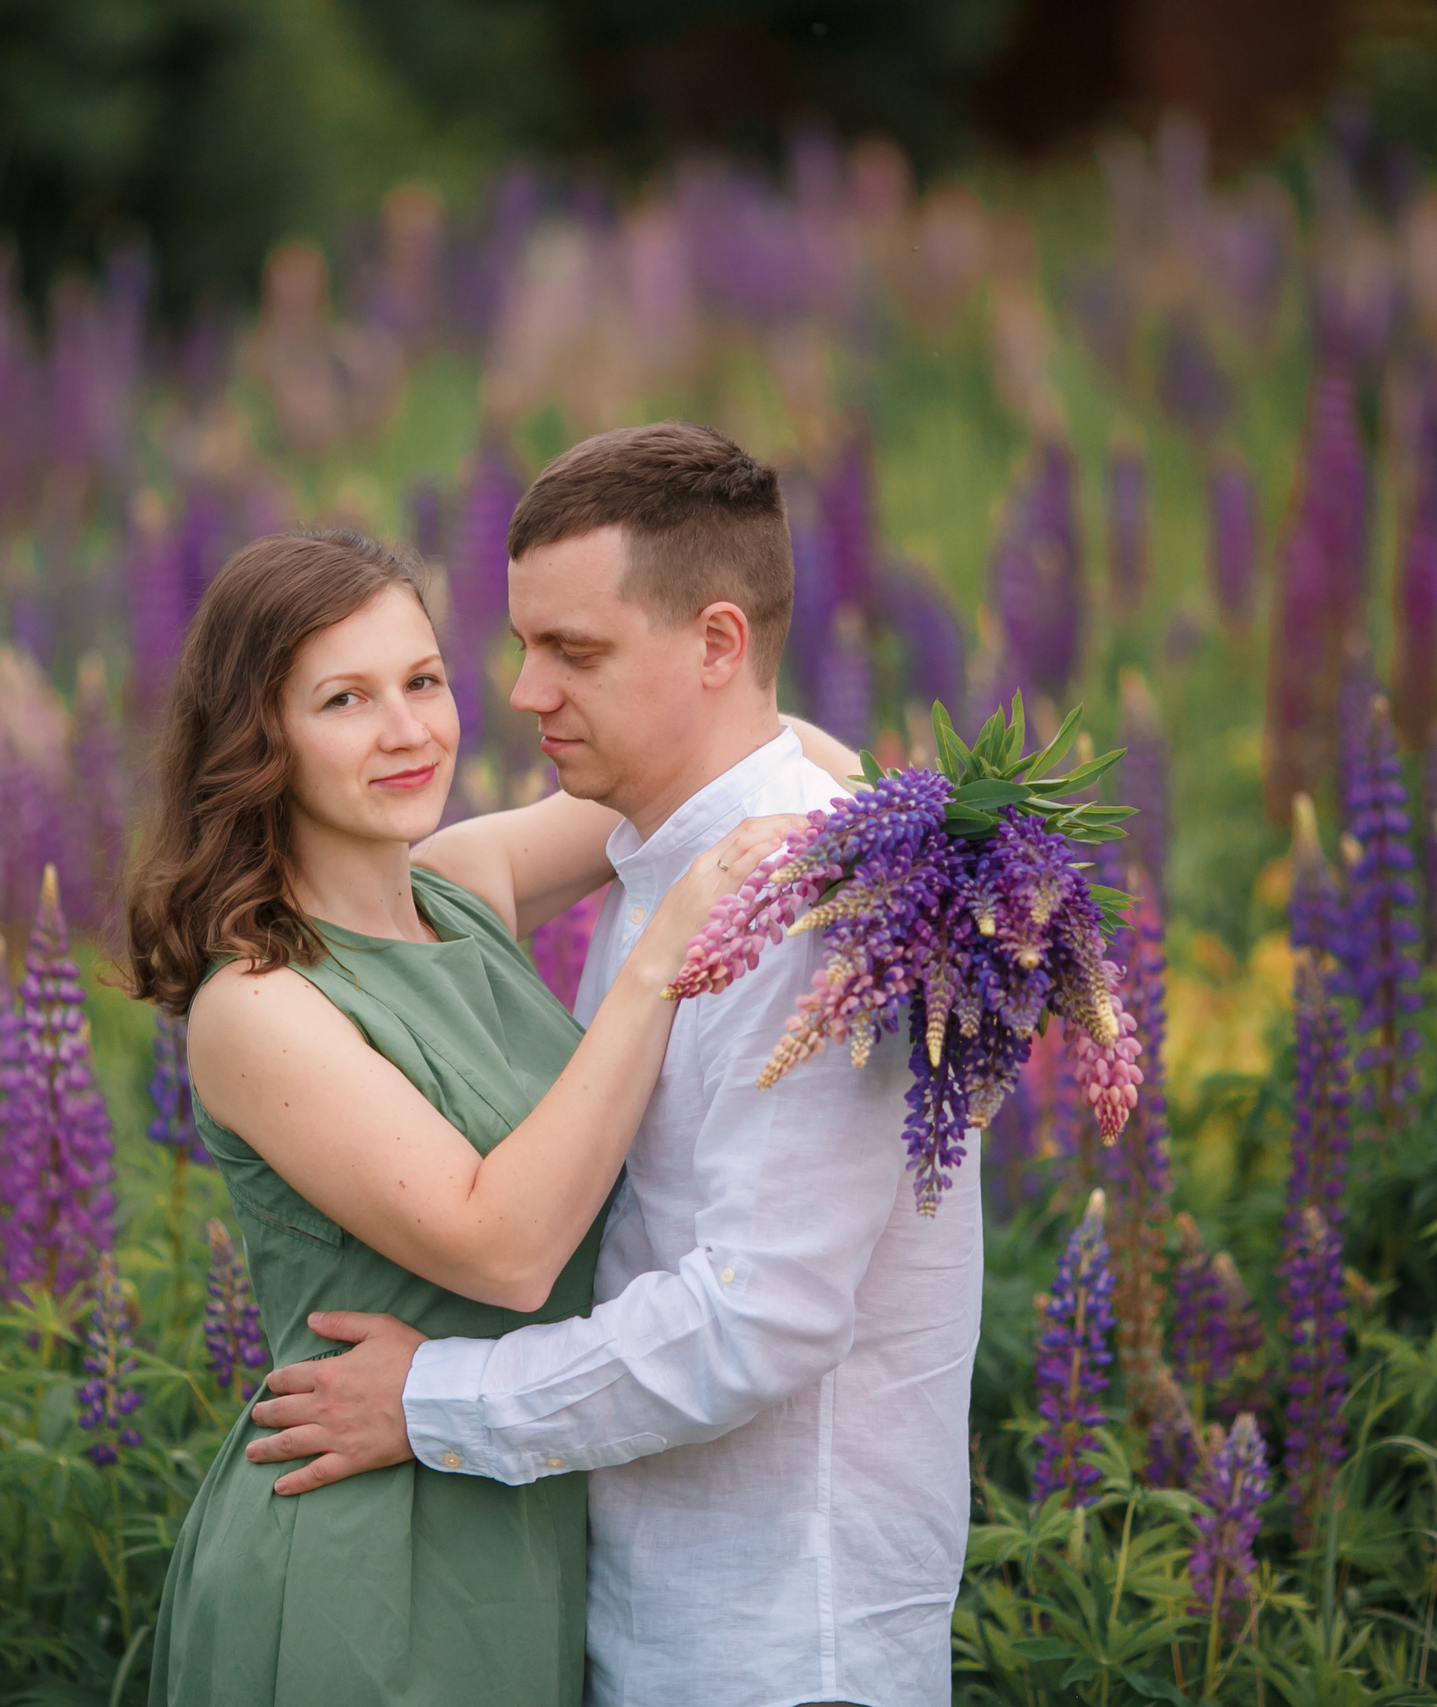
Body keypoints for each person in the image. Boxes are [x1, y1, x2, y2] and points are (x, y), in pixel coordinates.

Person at [242, 422, 983, 1707]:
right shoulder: (670, 863)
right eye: (524, 646)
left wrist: (435, 1400)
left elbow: (761, 1315)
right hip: (653, 1609)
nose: (524, 693)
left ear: (716, 644)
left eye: (573, 652)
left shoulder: (808, 911)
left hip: (780, 1642)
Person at [129, 526, 811, 1707]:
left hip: (513, 1510)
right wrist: (662, 956)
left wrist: (939, 846)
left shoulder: (460, 888)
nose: (407, 731)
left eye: (424, 681)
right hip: (363, 1556)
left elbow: (744, 759)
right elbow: (504, 1248)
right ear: (259, 739)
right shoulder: (257, 1004)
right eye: (344, 699)